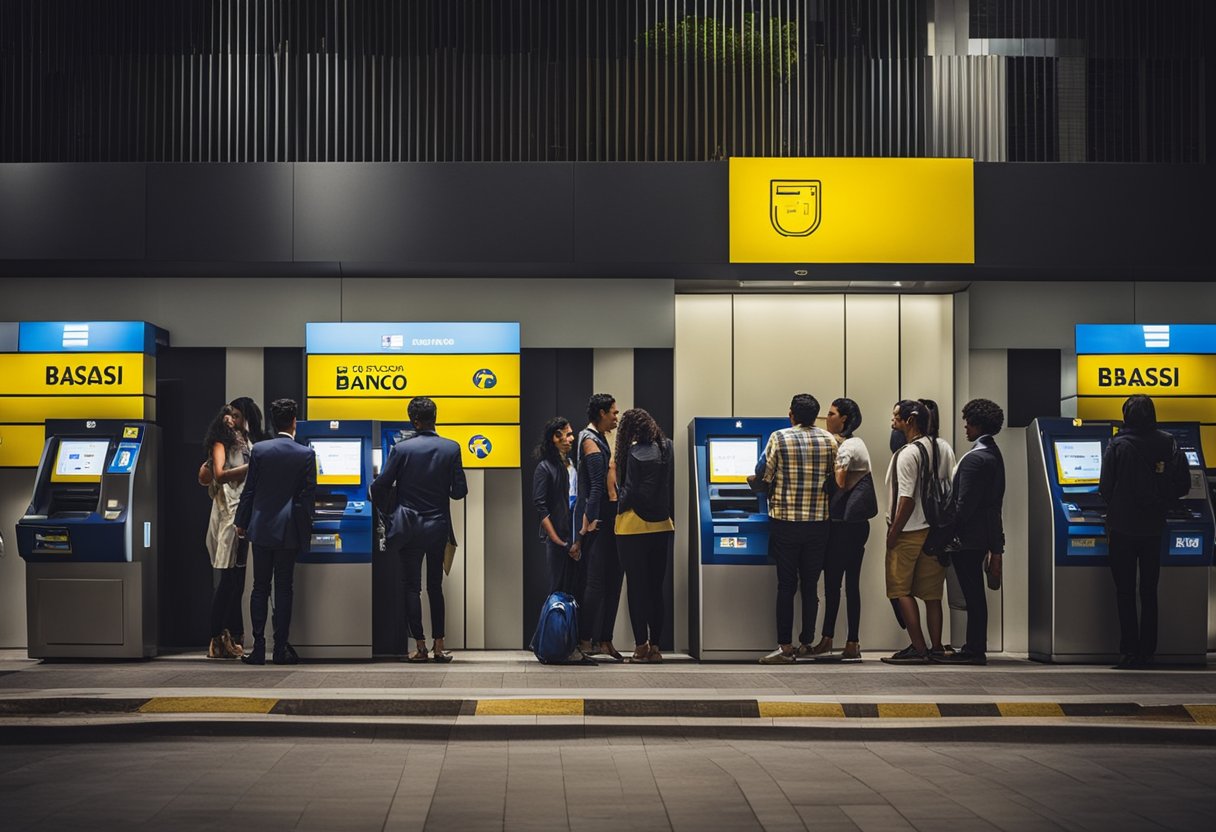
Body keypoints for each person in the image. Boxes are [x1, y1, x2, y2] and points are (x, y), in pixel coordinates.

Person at [371, 396, 468, 663]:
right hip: (437, 527)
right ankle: (440, 646)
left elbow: (381, 485)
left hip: (409, 528)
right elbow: (460, 491)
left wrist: (383, 505)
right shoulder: (451, 448)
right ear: (435, 417)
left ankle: (421, 647)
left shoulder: (402, 450)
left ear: (414, 421)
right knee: (435, 586)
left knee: (411, 587)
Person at [1099, 394, 1190, 669]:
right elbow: (1183, 484)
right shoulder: (1168, 442)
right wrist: (1162, 503)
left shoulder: (1117, 444)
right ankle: (1148, 651)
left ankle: (1129, 651)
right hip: (1153, 527)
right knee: (1149, 590)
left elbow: (1105, 487)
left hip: (1122, 527)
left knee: (1125, 590)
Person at [749, 393, 838, 664]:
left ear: (791, 414)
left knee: (786, 586)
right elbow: (836, 478)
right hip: (818, 523)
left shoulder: (779, 437)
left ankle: (785, 648)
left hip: (786, 521)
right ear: (816, 415)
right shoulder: (829, 440)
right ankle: (806, 643)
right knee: (810, 585)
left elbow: (764, 473)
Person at [234, 398, 316, 666]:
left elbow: (250, 490)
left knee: (259, 587)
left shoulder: (259, 450)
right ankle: (280, 649)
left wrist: (241, 522)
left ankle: (258, 649)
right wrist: (306, 529)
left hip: (261, 526)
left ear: (272, 421)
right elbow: (307, 498)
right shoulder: (305, 454)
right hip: (289, 529)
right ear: (295, 421)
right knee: (284, 589)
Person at [882, 398, 956, 665]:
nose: (892, 420)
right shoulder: (942, 447)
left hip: (908, 531)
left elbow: (907, 498)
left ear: (909, 420)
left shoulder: (907, 453)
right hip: (935, 532)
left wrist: (893, 533)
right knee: (932, 594)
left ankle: (918, 647)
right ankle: (936, 647)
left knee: (900, 589)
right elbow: (950, 485)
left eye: (895, 416)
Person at [933, 399, 1006, 666]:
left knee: (973, 593)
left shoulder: (976, 459)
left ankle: (974, 649)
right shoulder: (993, 454)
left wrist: (941, 538)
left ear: (978, 424)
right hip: (983, 534)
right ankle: (974, 646)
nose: (965, 426)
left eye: (969, 422)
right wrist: (997, 544)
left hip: (968, 538)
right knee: (975, 594)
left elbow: (962, 506)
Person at [808, 398, 876, 662]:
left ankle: (845, 641)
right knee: (839, 585)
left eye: (832, 414)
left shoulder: (850, 445)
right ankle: (836, 640)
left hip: (847, 527)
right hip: (845, 526)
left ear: (845, 419)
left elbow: (838, 481)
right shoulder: (848, 443)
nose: (827, 418)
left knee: (844, 585)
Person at [614, 408, 675, 663]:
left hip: (632, 526)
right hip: (662, 524)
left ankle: (640, 647)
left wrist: (618, 503)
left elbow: (630, 490)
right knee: (655, 588)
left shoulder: (630, 452)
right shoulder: (667, 447)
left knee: (636, 588)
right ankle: (656, 647)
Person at [574, 393, 624, 662]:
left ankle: (604, 639)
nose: (617, 417)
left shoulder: (598, 439)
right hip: (599, 520)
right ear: (602, 413)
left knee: (613, 580)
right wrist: (590, 523)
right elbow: (595, 486)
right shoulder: (591, 441)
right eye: (614, 413)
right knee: (595, 582)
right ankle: (585, 640)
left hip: (607, 517)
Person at [202, 404, 251, 659]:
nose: (232, 420)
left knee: (235, 583)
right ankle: (216, 638)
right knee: (227, 582)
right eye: (228, 416)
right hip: (227, 518)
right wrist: (251, 469)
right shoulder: (221, 444)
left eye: (237, 416)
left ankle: (229, 637)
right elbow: (219, 475)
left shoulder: (244, 443)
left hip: (240, 516)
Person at [531, 417, 581, 598]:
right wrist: (557, 540)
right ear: (556, 437)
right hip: (559, 536)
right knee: (557, 589)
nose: (572, 438)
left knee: (574, 589)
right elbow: (541, 507)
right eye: (567, 434)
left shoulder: (571, 464)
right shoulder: (545, 468)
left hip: (574, 534)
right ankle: (555, 626)